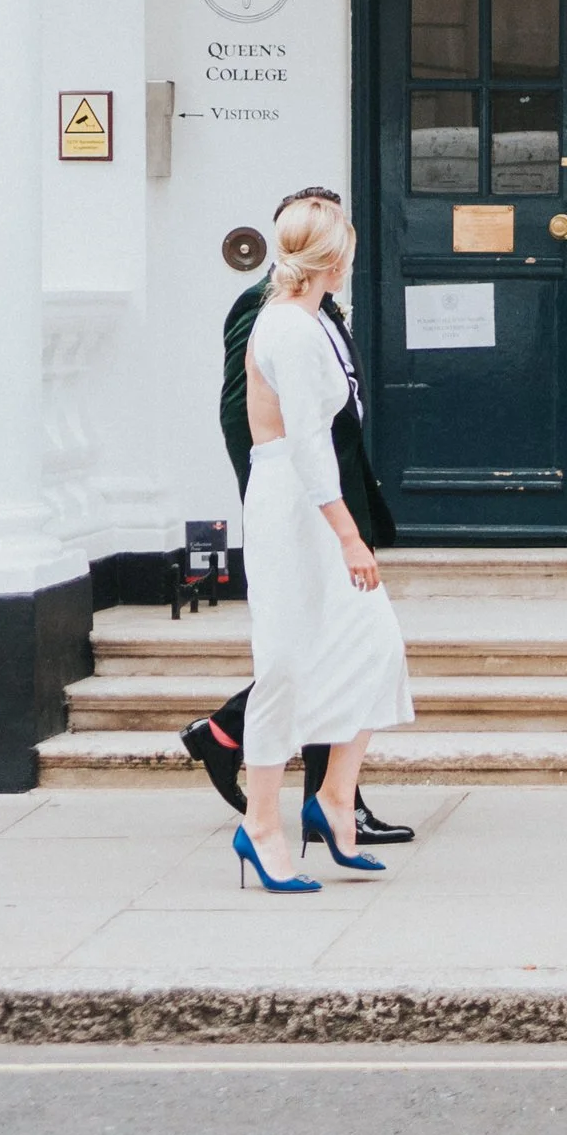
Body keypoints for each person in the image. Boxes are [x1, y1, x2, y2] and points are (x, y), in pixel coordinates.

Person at [181, 188, 415, 848]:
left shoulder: (313, 311)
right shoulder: (270, 313)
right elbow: (251, 415)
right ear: (330, 255)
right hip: (300, 497)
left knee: (358, 644)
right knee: (300, 653)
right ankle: (275, 808)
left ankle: (331, 797)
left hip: (325, 494)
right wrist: (277, 490)